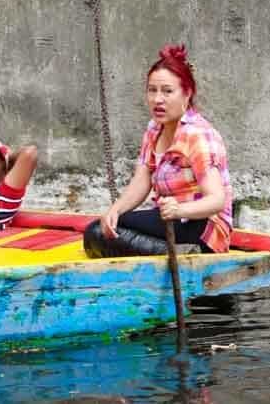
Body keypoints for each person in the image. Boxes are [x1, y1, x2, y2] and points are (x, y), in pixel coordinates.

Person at [83, 44, 233, 258]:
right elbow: (142, 180)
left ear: (187, 94)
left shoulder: (198, 135)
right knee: (102, 228)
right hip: (170, 219)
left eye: (167, 91)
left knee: (97, 233)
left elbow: (216, 200)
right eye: (152, 90)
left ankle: (189, 253)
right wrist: (115, 210)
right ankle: (174, 253)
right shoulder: (154, 129)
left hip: (202, 226)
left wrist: (180, 210)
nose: (157, 99)